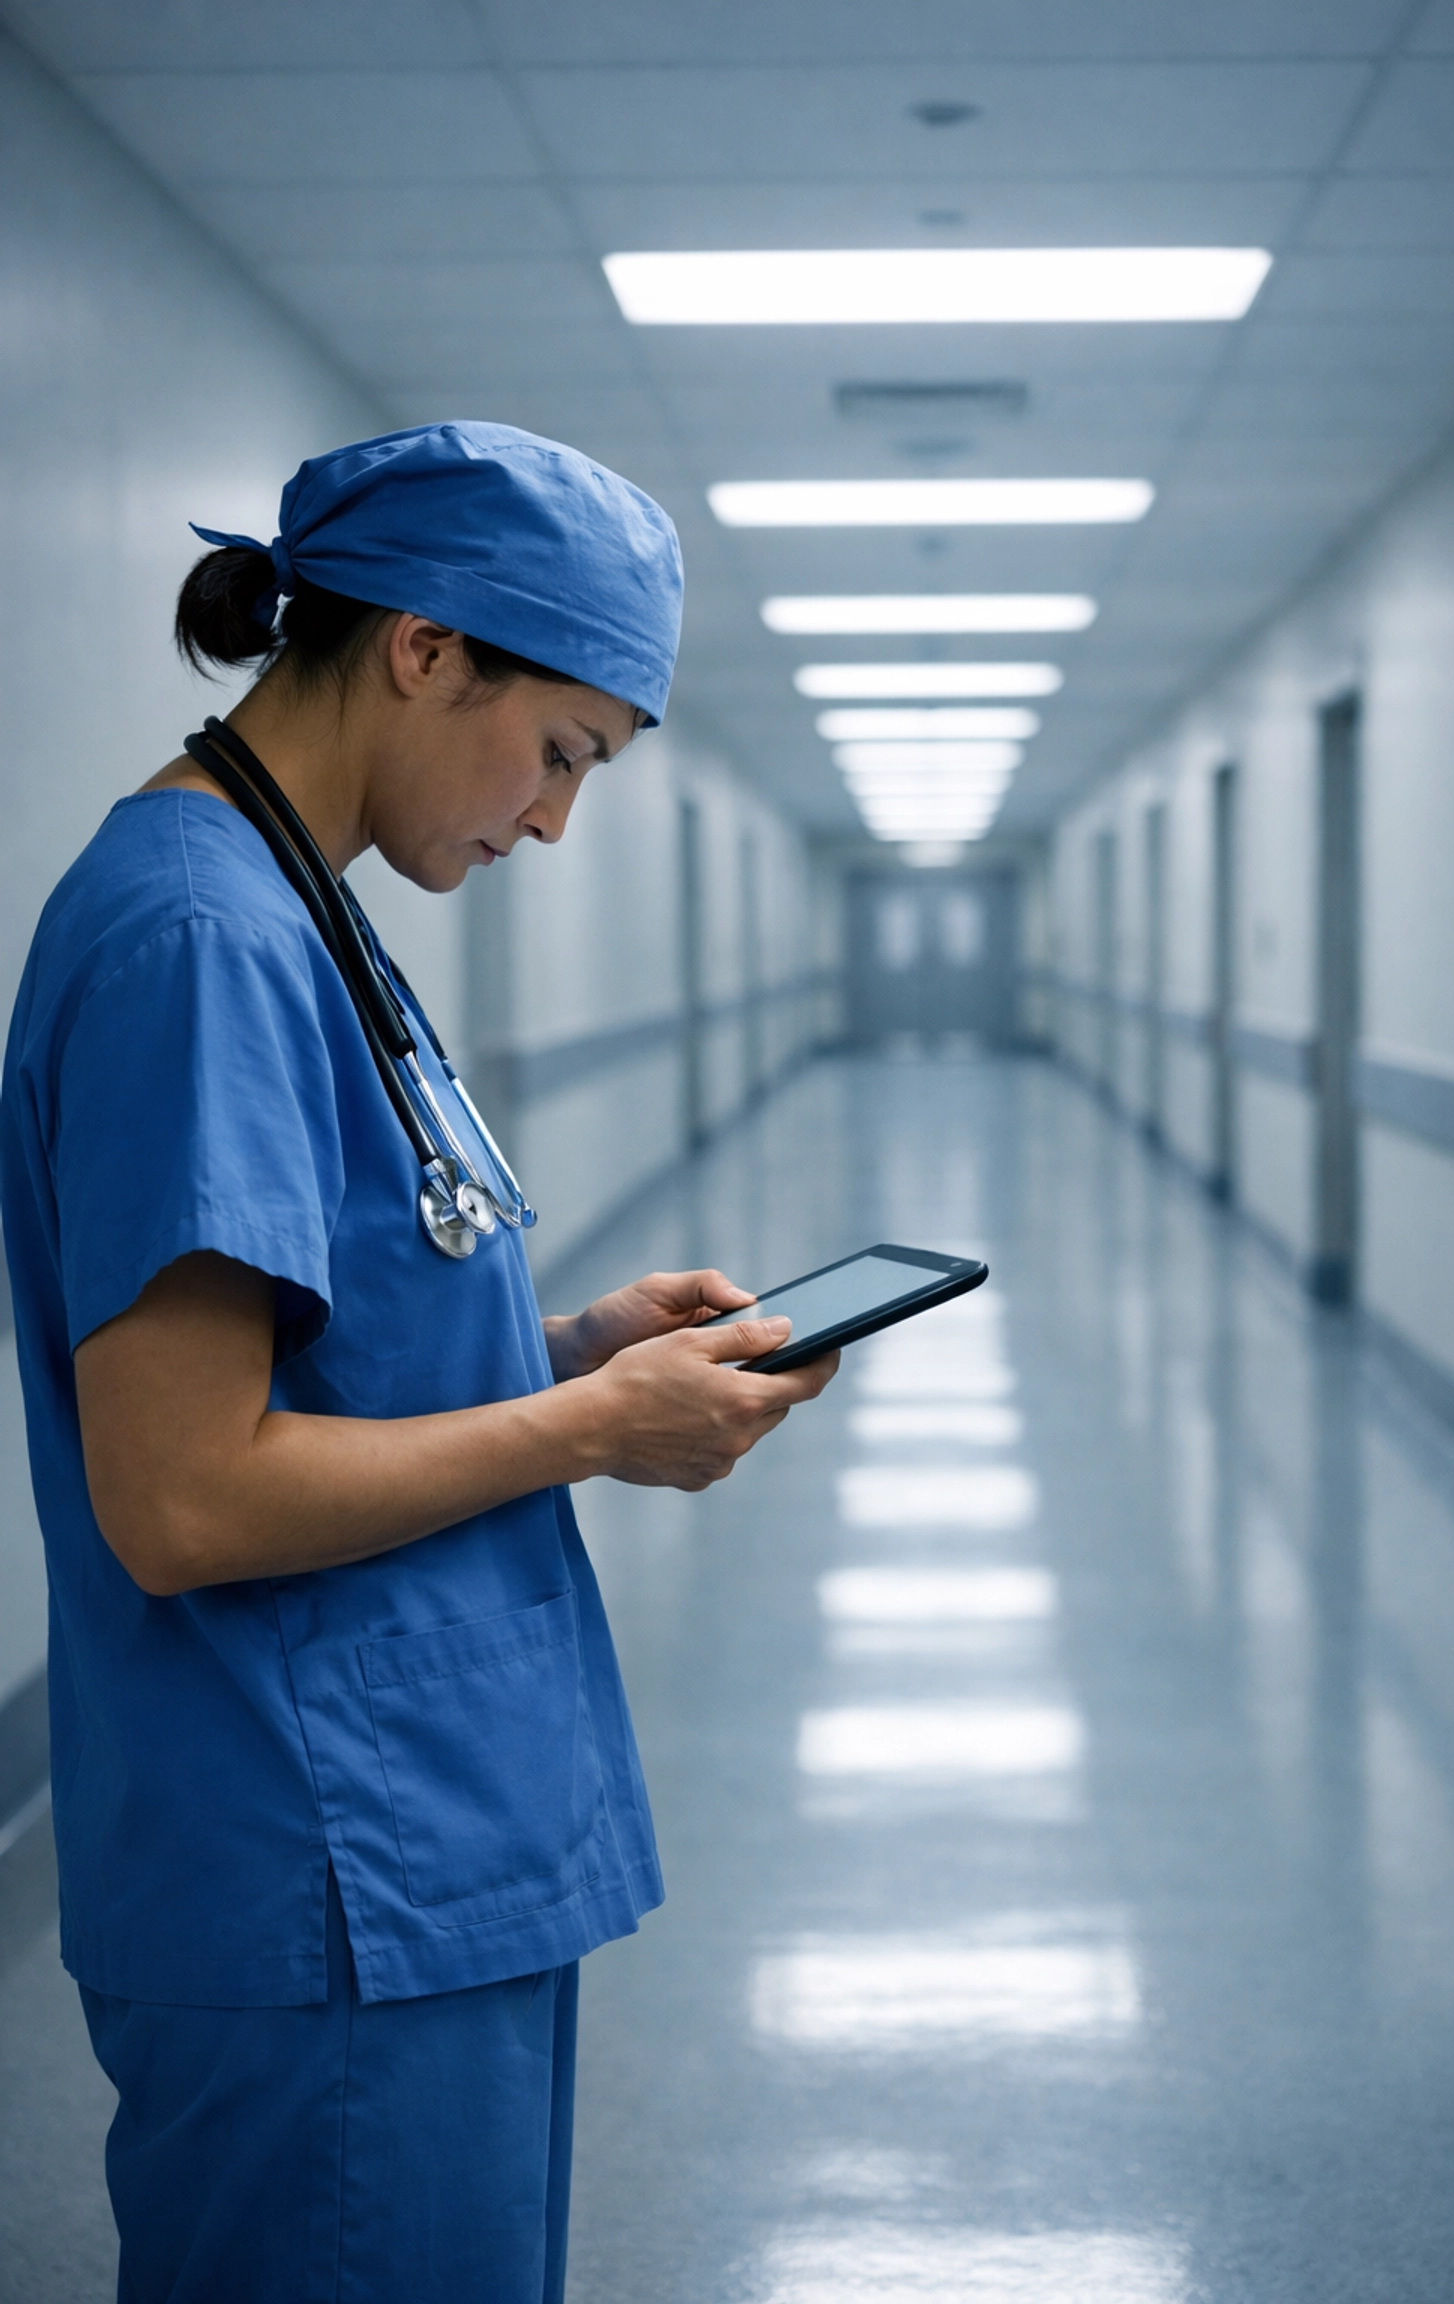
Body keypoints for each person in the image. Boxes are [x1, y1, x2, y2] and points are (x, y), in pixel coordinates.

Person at [0, 421, 837, 2303]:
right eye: (561, 755)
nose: (553, 821)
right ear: (427, 649)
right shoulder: (203, 939)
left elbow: (316, 1347)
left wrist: (567, 1347)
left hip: (411, 1844)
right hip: (327, 1873)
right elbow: (187, 1491)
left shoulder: (300, 916)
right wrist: (590, 1429)